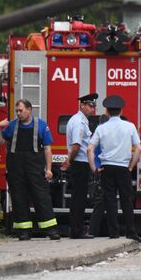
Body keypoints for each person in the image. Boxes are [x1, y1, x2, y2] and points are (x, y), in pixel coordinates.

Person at [0, 99, 60, 240]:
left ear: (29, 110)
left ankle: (50, 230)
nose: (18, 113)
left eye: (21, 110)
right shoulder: (12, 125)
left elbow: (48, 149)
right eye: (17, 111)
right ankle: (24, 231)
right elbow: (0, 142)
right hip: (16, 170)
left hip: (35, 169)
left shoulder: (41, 125)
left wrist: (48, 169)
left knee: (41, 197)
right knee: (19, 199)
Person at [87, 95, 141, 241]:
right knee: (126, 200)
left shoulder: (101, 128)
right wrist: (131, 167)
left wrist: (94, 168)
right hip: (123, 168)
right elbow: (138, 149)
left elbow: (90, 149)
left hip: (107, 168)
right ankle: (131, 231)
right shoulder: (130, 126)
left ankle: (114, 232)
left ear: (106, 111)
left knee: (110, 200)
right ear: (121, 110)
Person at [61, 93, 98, 239]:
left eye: (93, 106)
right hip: (79, 163)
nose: (92, 109)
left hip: (80, 163)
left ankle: (77, 230)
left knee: (80, 197)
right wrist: (69, 161)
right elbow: (76, 146)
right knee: (78, 198)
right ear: (82, 105)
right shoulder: (78, 122)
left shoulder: (82, 121)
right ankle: (76, 231)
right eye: (90, 106)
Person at [88, 114, 109, 237]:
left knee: (101, 202)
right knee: (102, 202)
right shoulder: (103, 133)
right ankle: (94, 231)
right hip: (104, 169)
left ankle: (94, 230)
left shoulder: (96, 133)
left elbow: (92, 152)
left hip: (99, 169)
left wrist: (95, 168)